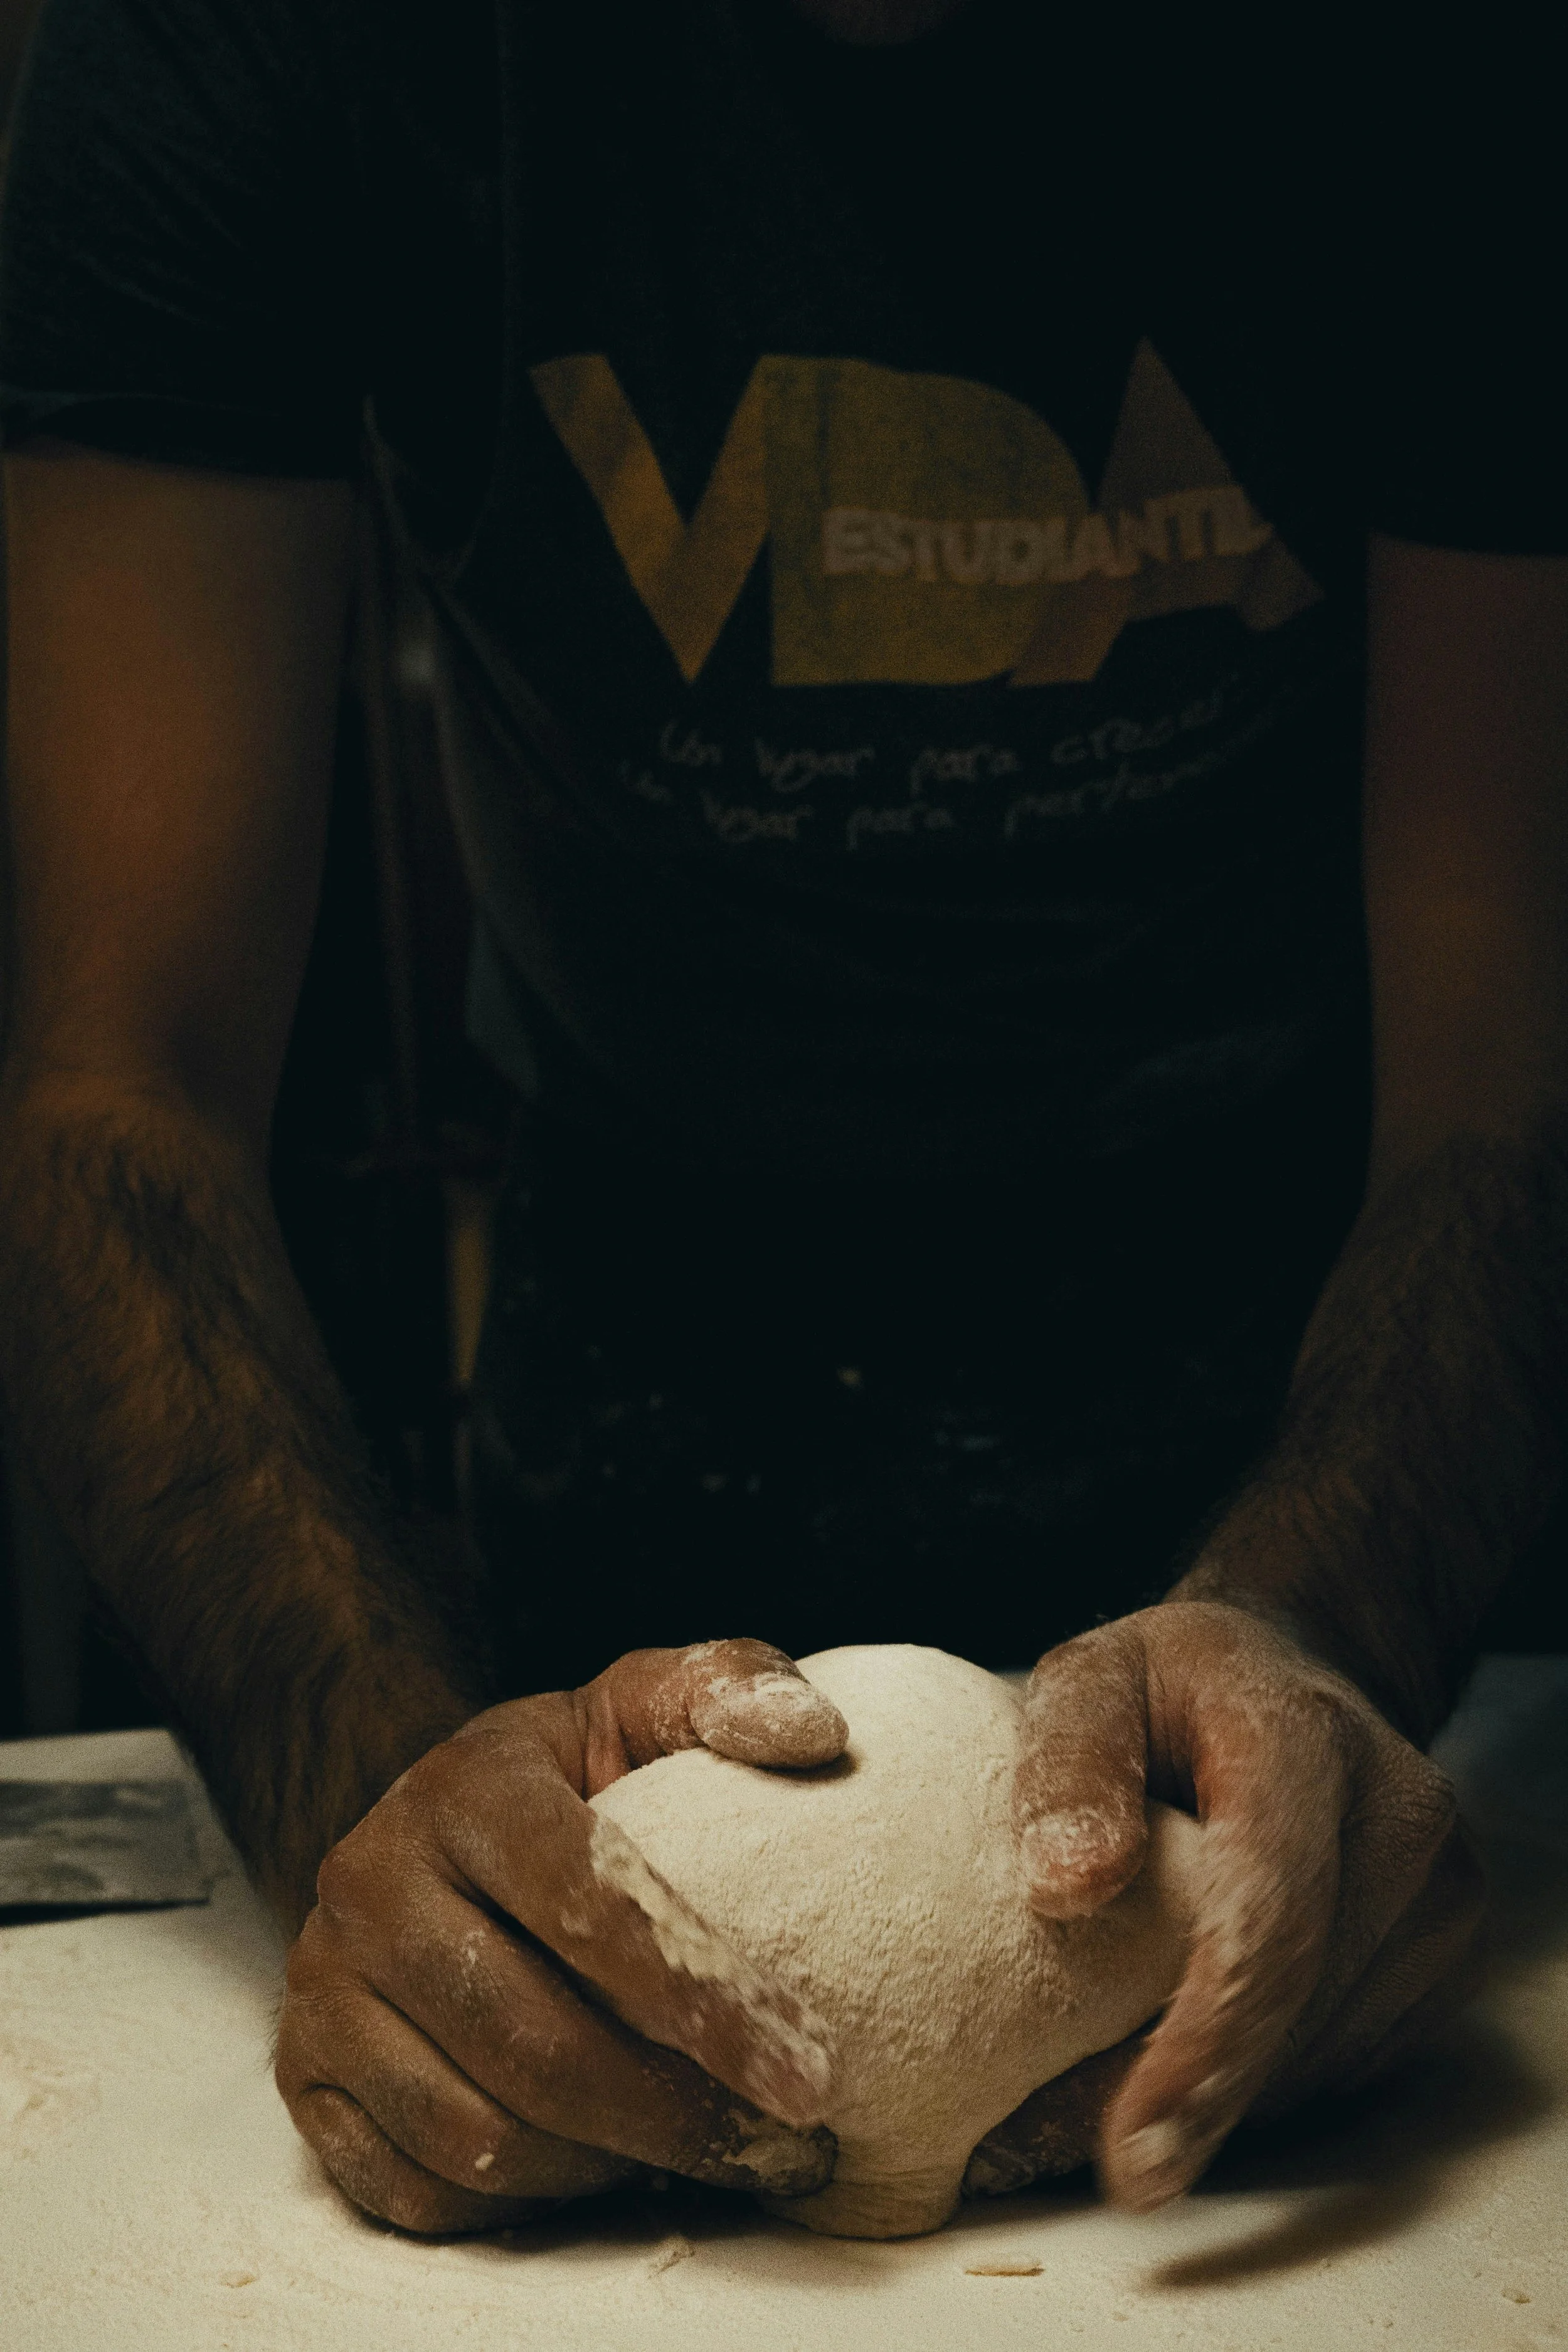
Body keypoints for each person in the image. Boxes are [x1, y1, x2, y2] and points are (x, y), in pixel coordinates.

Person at [0, 0, 1560, 2236]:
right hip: (650, 1345)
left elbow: (1510, 1089)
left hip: (1331, 1338)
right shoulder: (254, 32)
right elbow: (116, 1097)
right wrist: (377, 1791)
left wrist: (1330, 1621)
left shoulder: (1458, 52)